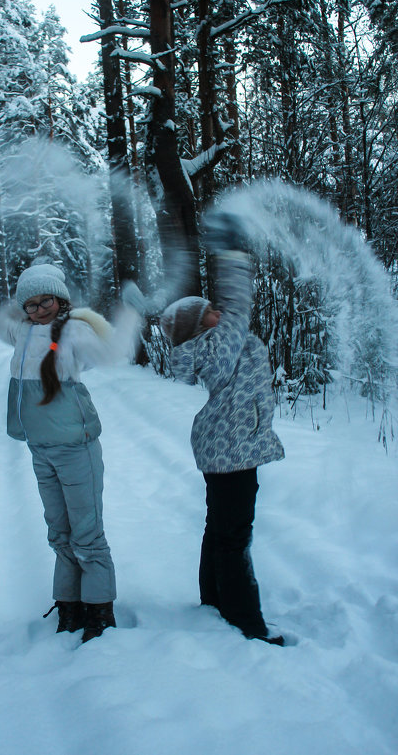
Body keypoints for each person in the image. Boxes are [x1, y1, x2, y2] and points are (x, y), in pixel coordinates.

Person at [0, 262, 140, 643]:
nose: (39, 310)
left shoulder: (74, 331)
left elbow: (113, 352)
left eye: (46, 301)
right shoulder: (21, 332)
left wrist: (130, 313)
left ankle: (99, 611)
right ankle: (70, 605)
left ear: (62, 300)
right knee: (59, 533)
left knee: (86, 534)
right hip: (41, 449)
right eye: (31, 304)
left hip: (75, 448)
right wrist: (16, 298)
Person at [160, 217, 285, 645]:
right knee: (234, 537)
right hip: (233, 451)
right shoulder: (221, 340)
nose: (220, 311)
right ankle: (246, 620)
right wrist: (231, 255)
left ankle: (213, 599)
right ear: (202, 324)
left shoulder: (205, 346)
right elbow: (239, 301)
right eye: (210, 311)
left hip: (221, 448)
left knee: (219, 529)